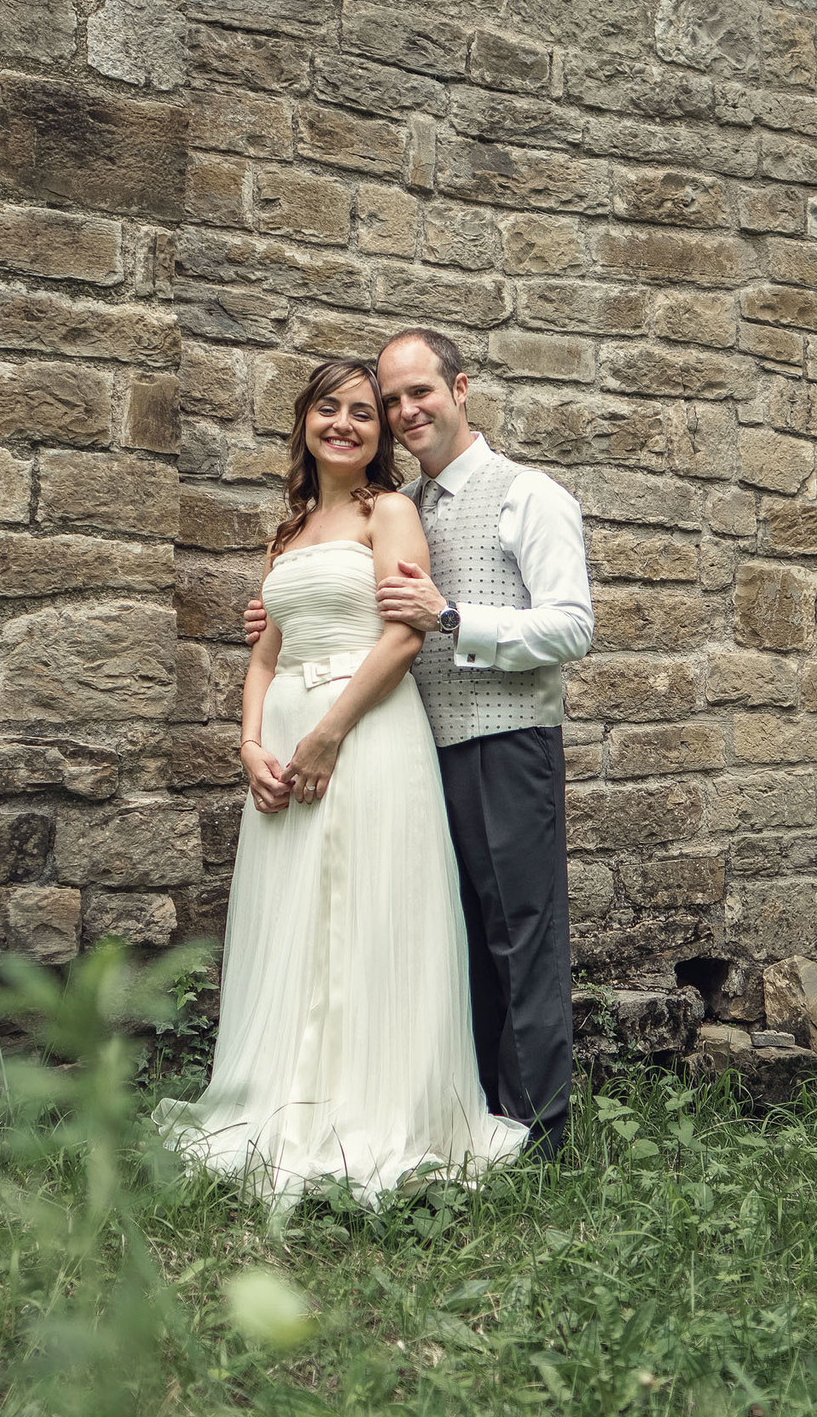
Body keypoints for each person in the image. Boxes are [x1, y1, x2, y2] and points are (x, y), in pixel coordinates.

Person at [154, 356, 525, 1205]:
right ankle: (281, 1098)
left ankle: (371, 1110)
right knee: (291, 922)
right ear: (306, 421)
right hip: (286, 744)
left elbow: (403, 637)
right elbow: (266, 649)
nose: (348, 424)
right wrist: (251, 744)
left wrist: (328, 733)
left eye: (366, 412)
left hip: (364, 735)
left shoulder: (389, 512)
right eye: (332, 409)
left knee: (365, 917)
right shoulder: (285, 533)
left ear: (381, 434)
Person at [244, 328, 595, 1159]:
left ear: (460, 388)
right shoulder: (409, 501)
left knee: (520, 939)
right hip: (412, 749)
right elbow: (356, 601)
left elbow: (573, 625)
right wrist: (284, 614)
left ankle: (540, 1143)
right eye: (392, 400)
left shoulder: (528, 494)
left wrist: (452, 617)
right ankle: (473, 1111)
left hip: (504, 741)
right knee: (454, 941)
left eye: (417, 394)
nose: (404, 412)